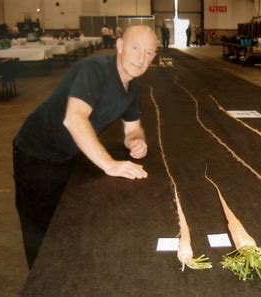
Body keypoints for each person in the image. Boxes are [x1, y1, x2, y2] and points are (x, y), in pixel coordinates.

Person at [12, 25, 158, 269]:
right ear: (119, 45)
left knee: (64, 225)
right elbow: (74, 118)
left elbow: (133, 127)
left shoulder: (133, 86)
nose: (141, 58)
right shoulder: (93, 70)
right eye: (135, 48)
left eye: (149, 52)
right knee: (38, 233)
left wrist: (136, 141)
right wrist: (110, 164)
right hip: (35, 154)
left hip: (69, 154)